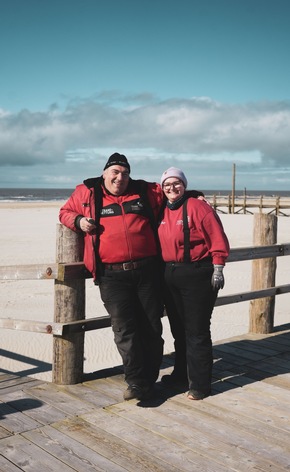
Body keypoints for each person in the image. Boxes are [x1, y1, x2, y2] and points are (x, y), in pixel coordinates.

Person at [59, 153, 165, 401]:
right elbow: (64, 212)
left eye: (125, 173)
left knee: (151, 327)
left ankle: (149, 380)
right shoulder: (87, 192)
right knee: (125, 329)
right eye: (115, 172)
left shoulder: (144, 191)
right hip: (111, 276)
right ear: (105, 173)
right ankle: (136, 383)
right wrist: (78, 220)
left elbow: (173, 194)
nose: (120, 177)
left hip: (147, 272)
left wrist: (193, 195)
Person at [158, 167, 230, 400]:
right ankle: (181, 375)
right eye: (167, 184)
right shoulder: (160, 209)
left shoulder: (199, 207)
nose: (172, 188)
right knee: (178, 329)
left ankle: (200, 385)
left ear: (184, 185)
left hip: (197, 274)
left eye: (176, 183)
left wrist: (218, 267)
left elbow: (217, 237)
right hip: (169, 274)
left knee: (196, 330)